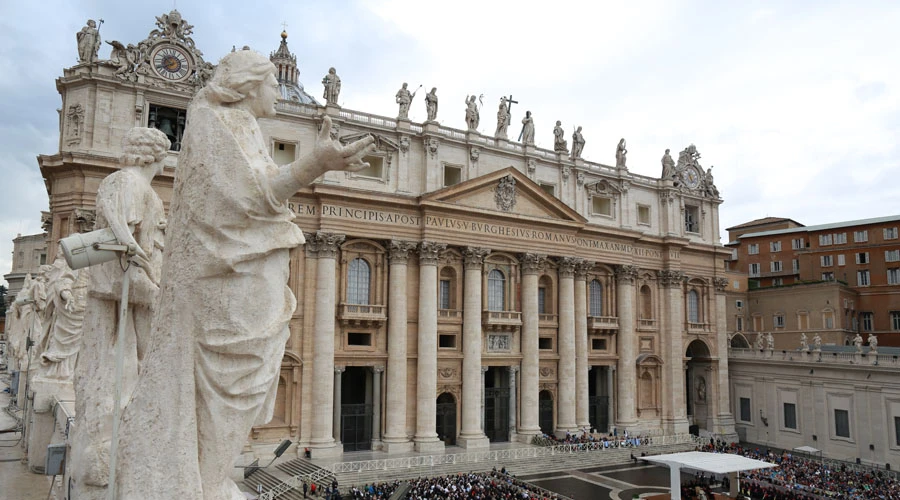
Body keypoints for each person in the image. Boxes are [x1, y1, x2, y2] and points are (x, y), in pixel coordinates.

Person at [115, 49, 375, 500]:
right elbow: (255, 197)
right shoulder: (218, 120)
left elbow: (257, 192)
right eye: (273, 83)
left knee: (241, 387)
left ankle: (210, 480)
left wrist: (319, 163)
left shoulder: (243, 127)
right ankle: (207, 482)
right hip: (229, 282)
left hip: (241, 277)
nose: (278, 91)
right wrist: (317, 163)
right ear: (250, 84)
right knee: (232, 387)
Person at [71, 126, 170, 499]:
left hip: (131, 277)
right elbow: (122, 231)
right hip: (126, 279)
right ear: (154, 155)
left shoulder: (131, 184)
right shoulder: (128, 183)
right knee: (152, 349)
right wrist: (143, 263)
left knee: (143, 355)